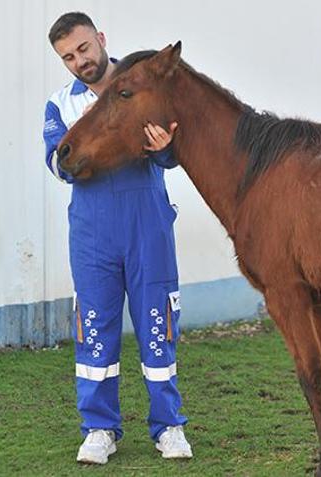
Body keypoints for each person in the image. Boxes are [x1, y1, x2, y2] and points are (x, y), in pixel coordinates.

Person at [42, 12, 191, 465]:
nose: (79, 61)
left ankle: (169, 427)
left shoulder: (144, 85)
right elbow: (56, 162)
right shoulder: (60, 104)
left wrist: (164, 146)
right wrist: (92, 143)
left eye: (84, 48)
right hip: (92, 233)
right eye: (68, 56)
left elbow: (171, 155)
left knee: (157, 328)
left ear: (101, 39)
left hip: (147, 225)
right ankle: (99, 429)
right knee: (94, 332)